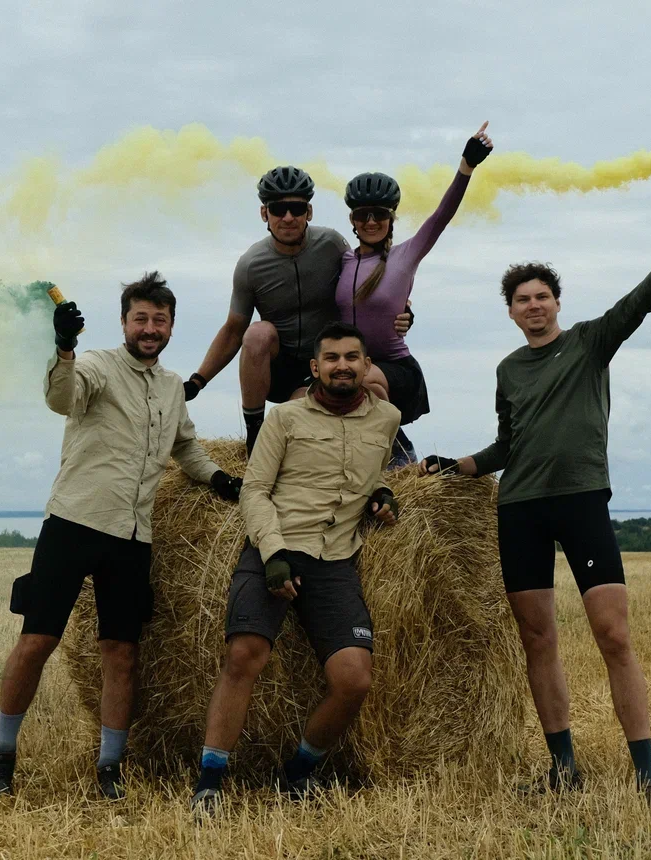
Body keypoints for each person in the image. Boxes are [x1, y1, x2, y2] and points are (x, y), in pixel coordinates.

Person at [418, 197, 651, 805]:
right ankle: (563, 768)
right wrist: (458, 466)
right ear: (510, 311)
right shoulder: (507, 370)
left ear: (558, 302)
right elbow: (509, 444)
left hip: (581, 502)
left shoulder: (589, 343)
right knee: (538, 639)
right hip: (520, 508)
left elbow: (642, 300)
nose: (533, 305)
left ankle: (646, 774)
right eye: (522, 299)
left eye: (542, 296)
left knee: (613, 635)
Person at [0, 273, 243, 801]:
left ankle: (110, 767)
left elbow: (185, 447)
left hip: (131, 538)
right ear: (124, 322)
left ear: (171, 327)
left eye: (159, 320)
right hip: (73, 524)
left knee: (121, 652)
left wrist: (220, 480)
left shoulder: (171, 387)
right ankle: (2, 756)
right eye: (140, 318)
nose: (150, 328)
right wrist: (64, 346)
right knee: (38, 641)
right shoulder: (97, 366)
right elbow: (61, 398)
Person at [189, 322, 402, 815]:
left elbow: (377, 475)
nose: (342, 366)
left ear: (367, 365)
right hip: (276, 549)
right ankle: (210, 782)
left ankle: (300, 772)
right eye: (332, 358)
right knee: (244, 654)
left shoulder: (386, 419)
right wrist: (273, 555)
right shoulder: (284, 418)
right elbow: (255, 490)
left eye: (352, 357)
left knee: (354, 679)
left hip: (335, 560)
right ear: (315, 368)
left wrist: (383, 493)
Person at [183, 167, 412, 455]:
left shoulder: (332, 244)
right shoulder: (251, 264)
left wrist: (404, 309)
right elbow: (233, 330)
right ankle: (254, 434)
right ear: (264, 213)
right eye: (279, 209)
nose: (288, 217)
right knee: (258, 332)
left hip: (323, 366)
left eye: (297, 208)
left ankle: (393, 447)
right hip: (280, 366)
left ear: (309, 212)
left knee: (297, 424)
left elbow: (368, 282)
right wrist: (197, 381)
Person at [336, 122, 494, 465]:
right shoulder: (340, 260)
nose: (371, 221)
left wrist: (466, 166)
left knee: (363, 379)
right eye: (363, 215)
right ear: (352, 219)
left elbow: (441, 216)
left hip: (396, 369)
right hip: (351, 363)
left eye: (380, 214)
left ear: (391, 218)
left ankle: (399, 456)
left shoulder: (406, 255)